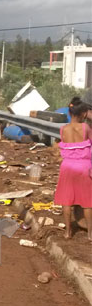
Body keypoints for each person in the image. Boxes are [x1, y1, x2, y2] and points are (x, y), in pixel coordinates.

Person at [54, 103, 92, 241]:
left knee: (67, 200)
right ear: (83, 114)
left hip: (67, 167)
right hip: (84, 167)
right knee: (87, 202)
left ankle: (68, 232)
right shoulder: (85, 127)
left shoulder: (63, 129)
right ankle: (90, 234)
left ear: (70, 113)